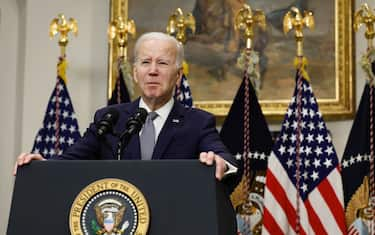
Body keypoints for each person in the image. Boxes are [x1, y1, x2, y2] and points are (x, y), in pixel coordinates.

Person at [14, 32, 241, 189]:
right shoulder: (109, 118)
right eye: (145, 63)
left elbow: (225, 159)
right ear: (134, 73)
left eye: (162, 63)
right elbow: (73, 159)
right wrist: (42, 165)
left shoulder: (197, 122)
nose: (152, 71)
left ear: (178, 75)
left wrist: (220, 163)